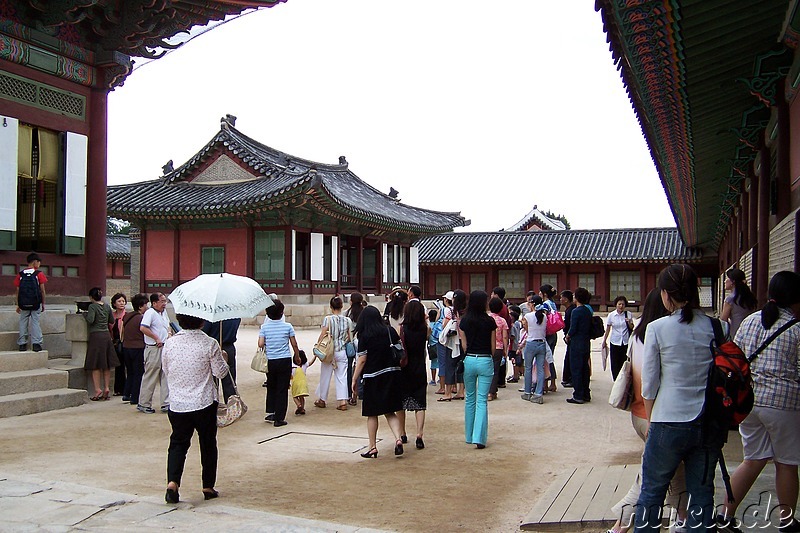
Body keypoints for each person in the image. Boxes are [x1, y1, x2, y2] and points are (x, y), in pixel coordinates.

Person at [635, 264, 719, 531]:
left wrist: (650, 420)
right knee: (702, 494)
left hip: (667, 419)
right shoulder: (718, 327)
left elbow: (649, 384)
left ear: (665, 295)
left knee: (652, 494)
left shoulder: (658, 328)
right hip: (707, 422)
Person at [719, 271, 800, 532]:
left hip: (750, 403)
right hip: (784, 404)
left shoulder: (751, 321)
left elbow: (736, 358)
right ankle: (787, 522)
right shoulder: (797, 328)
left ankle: (725, 516)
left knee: (752, 460)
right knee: (786, 463)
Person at [606, 288, 685, 533]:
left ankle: (680, 519)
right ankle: (621, 526)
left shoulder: (637, 336)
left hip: (639, 415)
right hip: (657, 416)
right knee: (651, 476)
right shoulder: (662, 335)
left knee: (674, 472)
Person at [162, 313, 229, 504]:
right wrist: (224, 357)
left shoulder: (170, 343)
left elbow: (166, 369)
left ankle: (173, 483)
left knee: (177, 444)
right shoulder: (210, 343)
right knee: (208, 444)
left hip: (178, 403)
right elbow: (220, 373)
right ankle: (207, 486)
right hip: (203, 402)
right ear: (202, 321)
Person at [351, 306, 405, 458]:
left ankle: (372, 446)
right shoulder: (390, 331)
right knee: (390, 411)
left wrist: (354, 379)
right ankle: (398, 439)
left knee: (372, 413)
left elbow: (361, 360)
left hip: (373, 377)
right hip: (392, 374)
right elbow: (400, 350)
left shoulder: (364, 336)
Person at [458, 290, 496, 449]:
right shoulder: (490, 321)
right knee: (482, 400)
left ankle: (469, 435)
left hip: (469, 360)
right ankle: (479, 437)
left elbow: (464, 345)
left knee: (470, 399)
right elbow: (493, 347)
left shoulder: (464, 321)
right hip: (485, 359)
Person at [259, 300, 301, 427]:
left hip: (271, 361)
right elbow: (294, 343)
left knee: (271, 386)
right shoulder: (287, 326)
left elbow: (260, 344)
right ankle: (279, 417)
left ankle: (271, 411)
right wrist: (297, 355)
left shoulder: (264, 327)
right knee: (282, 388)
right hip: (284, 360)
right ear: (282, 312)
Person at [397, 300, 428, 449]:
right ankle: (419, 434)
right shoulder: (424, 329)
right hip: (419, 366)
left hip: (404, 368)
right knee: (420, 401)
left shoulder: (402, 328)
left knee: (401, 402)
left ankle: (402, 432)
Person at [313, 296, 352, 411]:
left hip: (329, 351)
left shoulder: (328, 319)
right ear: (341, 306)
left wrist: (318, 345)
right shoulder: (347, 320)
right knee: (342, 376)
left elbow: (323, 334)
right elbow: (350, 337)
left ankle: (322, 399)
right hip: (342, 350)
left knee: (325, 375)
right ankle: (342, 401)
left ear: (331, 307)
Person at [83, 287, 119, 401]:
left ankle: (97, 389)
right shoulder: (107, 306)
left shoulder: (92, 306)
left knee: (96, 364)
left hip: (96, 336)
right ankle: (107, 387)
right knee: (106, 364)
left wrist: (85, 315)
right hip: (106, 336)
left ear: (91, 297)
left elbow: (91, 320)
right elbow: (112, 321)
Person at [139, 292, 171, 414]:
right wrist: (156, 338)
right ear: (154, 303)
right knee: (150, 375)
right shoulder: (150, 313)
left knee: (165, 375)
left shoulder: (164, 313)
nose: (164, 304)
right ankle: (144, 403)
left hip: (164, 347)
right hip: (153, 348)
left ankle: (166, 403)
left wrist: (168, 334)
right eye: (162, 301)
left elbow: (167, 326)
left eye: (165, 301)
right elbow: (143, 328)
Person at [201, 318, 241, 403]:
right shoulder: (236, 315)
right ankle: (232, 406)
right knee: (229, 380)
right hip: (229, 347)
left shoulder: (212, 317)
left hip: (213, 347)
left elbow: (204, 331)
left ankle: (213, 405)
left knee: (212, 380)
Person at [565, 287, 592, 405]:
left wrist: (567, 336)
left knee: (576, 369)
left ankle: (578, 394)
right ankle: (586, 393)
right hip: (586, 342)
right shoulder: (587, 310)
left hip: (576, 343)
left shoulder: (576, 311)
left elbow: (573, 328)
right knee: (584, 368)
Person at [15, 252, 47, 352]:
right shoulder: (39, 274)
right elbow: (42, 290)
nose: (39, 264)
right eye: (39, 262)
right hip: (36, 302)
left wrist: (18, 304)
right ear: (35, 262)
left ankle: (22, 344)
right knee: (35, 322)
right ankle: (36, 344)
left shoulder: (20, 274)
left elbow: (17, 290)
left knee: (23, 321)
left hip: (23, 303)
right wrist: (43, 303)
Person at [122, 293, 148, 406]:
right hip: (138, 347)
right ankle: (135, 397)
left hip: (126, 347)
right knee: (138, 373)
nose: (147, 307)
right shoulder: (141, 319)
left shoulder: (127, 316)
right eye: (146, 305)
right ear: (140, 306)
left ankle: (127, 393)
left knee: (130, 372)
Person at [521, 296, 548, 404]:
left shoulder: (528, 316)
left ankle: (527, 392)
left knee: (528, 368)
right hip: (542, 343)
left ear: (532, 304)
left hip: (531, 342)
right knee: (540, 369)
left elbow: (526, 329)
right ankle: (538, 394)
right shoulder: (544, 316)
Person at [602, 296, 634, 381]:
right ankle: (616, 379)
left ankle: (624, 380)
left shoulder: (628, 314)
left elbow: (632, 327)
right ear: (616, 305)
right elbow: (608, 329)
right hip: (615, 341)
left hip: (625, 341)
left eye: (623, 304)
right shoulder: (611, 315)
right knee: (615, 362)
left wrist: (629, 322)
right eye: (619, 304)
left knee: (624, 361)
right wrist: (604, 340)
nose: (621, 306)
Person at [720, 267, 757, 339]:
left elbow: (723, 320)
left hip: (736, 333)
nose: (724, 281)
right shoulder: (750, 296)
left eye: (727, 278)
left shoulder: (730, 299)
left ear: (733, 282)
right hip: (751, 332)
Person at [345, 292, 366, 405]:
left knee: (349, 368)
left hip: (350, 343)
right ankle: (359, 392)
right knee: (360, 367)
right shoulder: (364, 313)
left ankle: (350, 393)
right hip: (361, 342)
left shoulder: (347, 314)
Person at [488, 297, 509, 401]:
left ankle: (489, 390)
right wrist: (506, 349)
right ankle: (491, 392)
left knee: (487, 370)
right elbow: (505, 336)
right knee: (495, 370)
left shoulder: (486, 318)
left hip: (487, 347)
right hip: (498, 347)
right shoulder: (502, 321)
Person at [539, 284, 559, 392]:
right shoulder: (553, 303)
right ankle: (553, 382)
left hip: (547, 334)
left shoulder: (545, 305)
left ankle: (546, 384)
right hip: (553, 333)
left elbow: (544, 318)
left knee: (545, 359)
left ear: (544, 294)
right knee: (550, 358)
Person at [436, 291, 455, 398]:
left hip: (443, 339)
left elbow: (443, 324)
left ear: (446, 300)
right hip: (454, 339)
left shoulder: (444, 310)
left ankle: (443, 386)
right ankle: (454, 386)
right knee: (453, 362)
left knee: (442, 362)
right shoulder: (456, 310)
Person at [109, 293, 127, 397]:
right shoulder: (112, 315)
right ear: (114, 303)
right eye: (119, 301)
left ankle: (124, 389)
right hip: (114, 343)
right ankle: (118, 389)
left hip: (124, 343)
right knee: (117, 366)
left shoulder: (127, 315)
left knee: (123, 366)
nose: (122, 303)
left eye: (123, 301)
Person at [560, 290, 576, 387]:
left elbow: (571, 325)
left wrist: (568, 335)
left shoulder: (571, 310)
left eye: (562, 297)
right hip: (568, 337)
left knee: (571, 359)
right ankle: (567, 378)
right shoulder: (569, 309)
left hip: (571, 338)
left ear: (566, 299)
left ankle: (570, 378)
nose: (560, 299)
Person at [507, 305, 523, 383]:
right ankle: (517, 374)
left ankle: (515, 376)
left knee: (514, 361)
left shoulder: (513, 326)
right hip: (517, 345)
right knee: (517, 361)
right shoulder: (517, 324)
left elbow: (512, 336)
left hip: (513, 346)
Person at [292, 350, 309, 415]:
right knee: (302, 397)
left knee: (295, 396)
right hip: (303, 383)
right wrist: (315, 357)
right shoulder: (304, 365)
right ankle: (302, 409)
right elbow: (310, 362)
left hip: (295, 383)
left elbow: (290, 375)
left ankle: (298, 404)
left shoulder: (293, 366)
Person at [427, 308, 440, 385]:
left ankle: (433, 379)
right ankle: (440, 378)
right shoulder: (438, 325)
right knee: (441, 362)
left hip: (432, 345)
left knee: (433, 362)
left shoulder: (429, 326)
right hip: (439, 344)